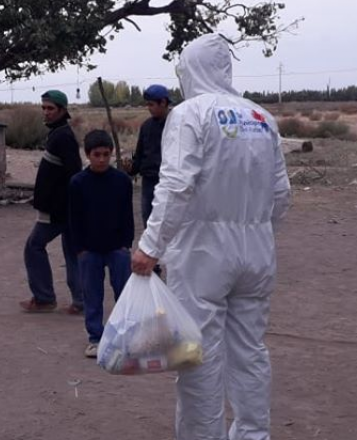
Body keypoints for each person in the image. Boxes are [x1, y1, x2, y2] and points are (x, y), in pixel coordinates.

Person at [130, 34, 291, 440]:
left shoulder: (191, 114)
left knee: (198, 357)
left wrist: (151, 245)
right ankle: (253, 433)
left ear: (189, 70)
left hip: (202, 254)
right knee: (250, 351)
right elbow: (281, 194)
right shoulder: (261, 117)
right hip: (257, 251)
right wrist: (258, 230)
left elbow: (176, 185)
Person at [69, 130, 134, 358]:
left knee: (124, 294)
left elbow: (127, 215)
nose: (102, 159)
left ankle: (124, 336)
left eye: (106, 154)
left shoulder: (122, 181)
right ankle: (95, 338)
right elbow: (74, 219)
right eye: (97, 155)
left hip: (117, 247)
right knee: (92, 296)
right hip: (89, 250)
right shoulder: (78, 183)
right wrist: (80, 249)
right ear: (88, 155)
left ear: (112, 153)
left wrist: (126, 244)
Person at [20, 90, 84, 314]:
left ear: (62, 110)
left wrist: (63, 205)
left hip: (57, 209)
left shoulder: (63, 137)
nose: (46, 112)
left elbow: (74, 173)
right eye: (44, 108)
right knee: (72, 252)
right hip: (64, 208)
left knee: (34, 247)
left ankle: (44, 298)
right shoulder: (58, 134)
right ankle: (80, 302)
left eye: (51, 108)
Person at [129, 84, 171, 227]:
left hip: (169, 183)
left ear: (163, 103)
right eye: (147, 104)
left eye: (151, 104)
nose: (148, 108)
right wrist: (130, 169)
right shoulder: (146, 126)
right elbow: (139, 155)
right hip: (148, 182)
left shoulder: (176, 125)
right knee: (149, 222)